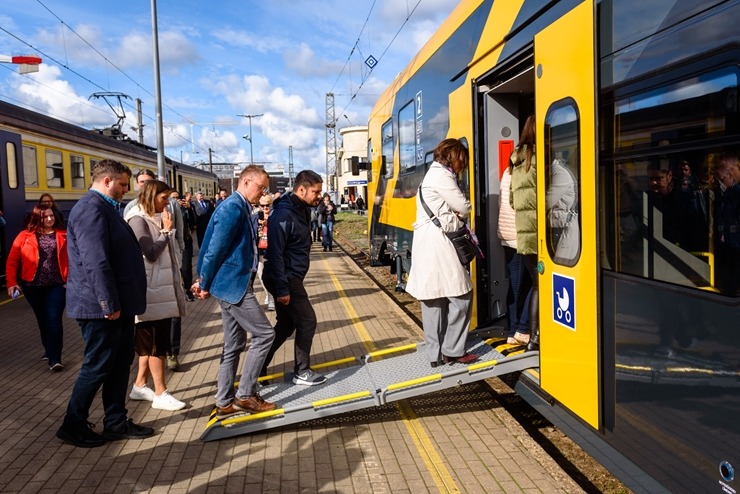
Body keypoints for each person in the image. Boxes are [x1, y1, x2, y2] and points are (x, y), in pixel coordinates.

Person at [57, 159, 153, 448]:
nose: (126, 190)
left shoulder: (104, 209)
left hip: (116, 305)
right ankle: (73, 425)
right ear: (107, 181)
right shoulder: (90, 209)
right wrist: (107, 302)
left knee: (119, 363)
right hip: (101, 307)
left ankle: (115, 422)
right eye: (123, 184)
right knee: (98, 365)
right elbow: (95, 261)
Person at [192, 165, 277, 418]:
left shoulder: (239, 207)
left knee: (234, 344)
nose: (262, 194)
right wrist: (204, 282)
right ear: (246, 182)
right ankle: (246, 395)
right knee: (264, 335)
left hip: (232, 284)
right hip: (232, 286)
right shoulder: (232, 208)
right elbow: (213, 250)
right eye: (261, 187)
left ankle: (224, 401)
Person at [404, 138, 477, 367]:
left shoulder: (430, 175)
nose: (461, 165)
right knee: (462, 296)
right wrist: (458, 214)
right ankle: (453, 349)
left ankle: (434, 355)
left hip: (427, 243)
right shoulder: (443, 176)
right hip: (439, 245)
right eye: (460, 160)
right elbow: (464, 206)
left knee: (433, 300)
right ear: (453, 156)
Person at [123, 180, 187, 411]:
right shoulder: (138, 220)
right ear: (151, 196)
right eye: (163, 198)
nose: (167, 202)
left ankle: (140, 385)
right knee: (155, 346)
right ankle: (161, 393)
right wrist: (166, 231)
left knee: (150, 344)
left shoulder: (152, 217)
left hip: (158, 291)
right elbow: (150, 254)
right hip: (149, 292)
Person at [261, 170, 327, 385]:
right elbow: (275, 254)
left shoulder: (301, 209)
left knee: (286, 325)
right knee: (307, 321)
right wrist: (282, 289)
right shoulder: (284, 215)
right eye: (316, 192)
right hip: (285, 277)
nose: (319, 196)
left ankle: (257, 368)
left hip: (290, 275)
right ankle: (302, 371)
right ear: (301, 189)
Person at [6, 204, 68, 370]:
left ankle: (55, 359)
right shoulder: (24, 236)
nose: (49, 219)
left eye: (51, 216)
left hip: (57, 285)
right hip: (32, 286)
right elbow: (12, 261)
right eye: (45, 216)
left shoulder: (63, 234)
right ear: (37, 218)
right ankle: (49, 349)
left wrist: (71, 279)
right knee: (43, 319)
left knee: (54, 319)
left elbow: (73, 258)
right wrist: (12, 282)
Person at [509, 115, 539, 351]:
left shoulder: (516, 162)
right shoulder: (539, 158)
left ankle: (526, 331)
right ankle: (530, 334)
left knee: (535, 284)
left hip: (524, 233)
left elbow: (512, 200)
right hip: (539, 231)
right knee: (539, 285)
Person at [497, 167, 530, 345]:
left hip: (507, 235)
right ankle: (521, 329)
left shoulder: (507, 172)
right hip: (521, 235)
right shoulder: (526, 170)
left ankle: (513, 330)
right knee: (532, 283)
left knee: (516, 285)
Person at [713, 154, 740, 296]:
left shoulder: (736, 194)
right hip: (729, 247)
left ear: (730, 175)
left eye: (721, 178)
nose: (719, 182)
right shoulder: (727, 193)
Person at [546, 158, 580, 263]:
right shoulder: (555, 172)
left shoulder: (560, 174)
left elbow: (546, 202)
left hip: (561, 226)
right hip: (556, 224)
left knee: (559, 263)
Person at [255, 194, 276, 311]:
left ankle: (273, 296)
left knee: (273, 275)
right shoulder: (256, 216)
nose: (265, 208)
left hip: (273, 250)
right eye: (262, 205)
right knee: (261, 274)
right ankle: (269, 295)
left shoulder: (275, 216)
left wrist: (268, 223)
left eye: (267, 205)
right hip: (260, 250)